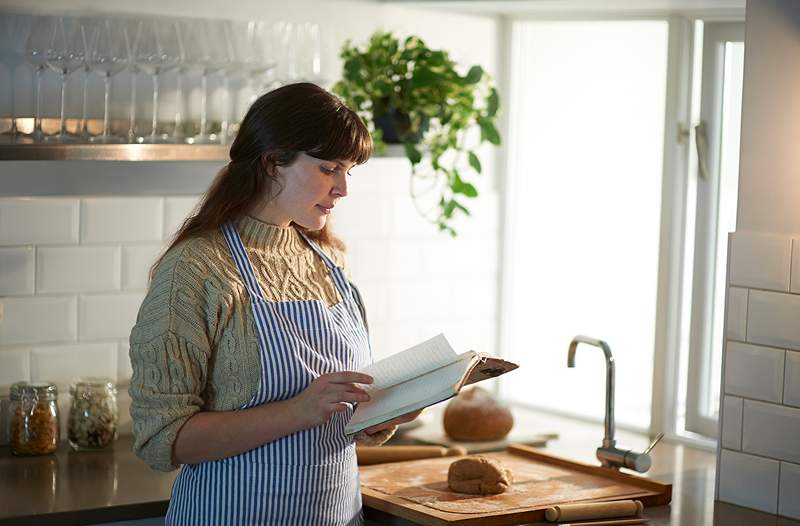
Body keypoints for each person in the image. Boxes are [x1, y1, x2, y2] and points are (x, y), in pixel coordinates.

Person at [128, 82, 420, 526]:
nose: (342, 188)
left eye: (348, 171)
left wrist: (374, 418)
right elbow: (162, 439)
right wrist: (297, 411)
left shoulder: (329, 258)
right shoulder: (197, 268)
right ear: (272, 163)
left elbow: (332, 419)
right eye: (328, 168)